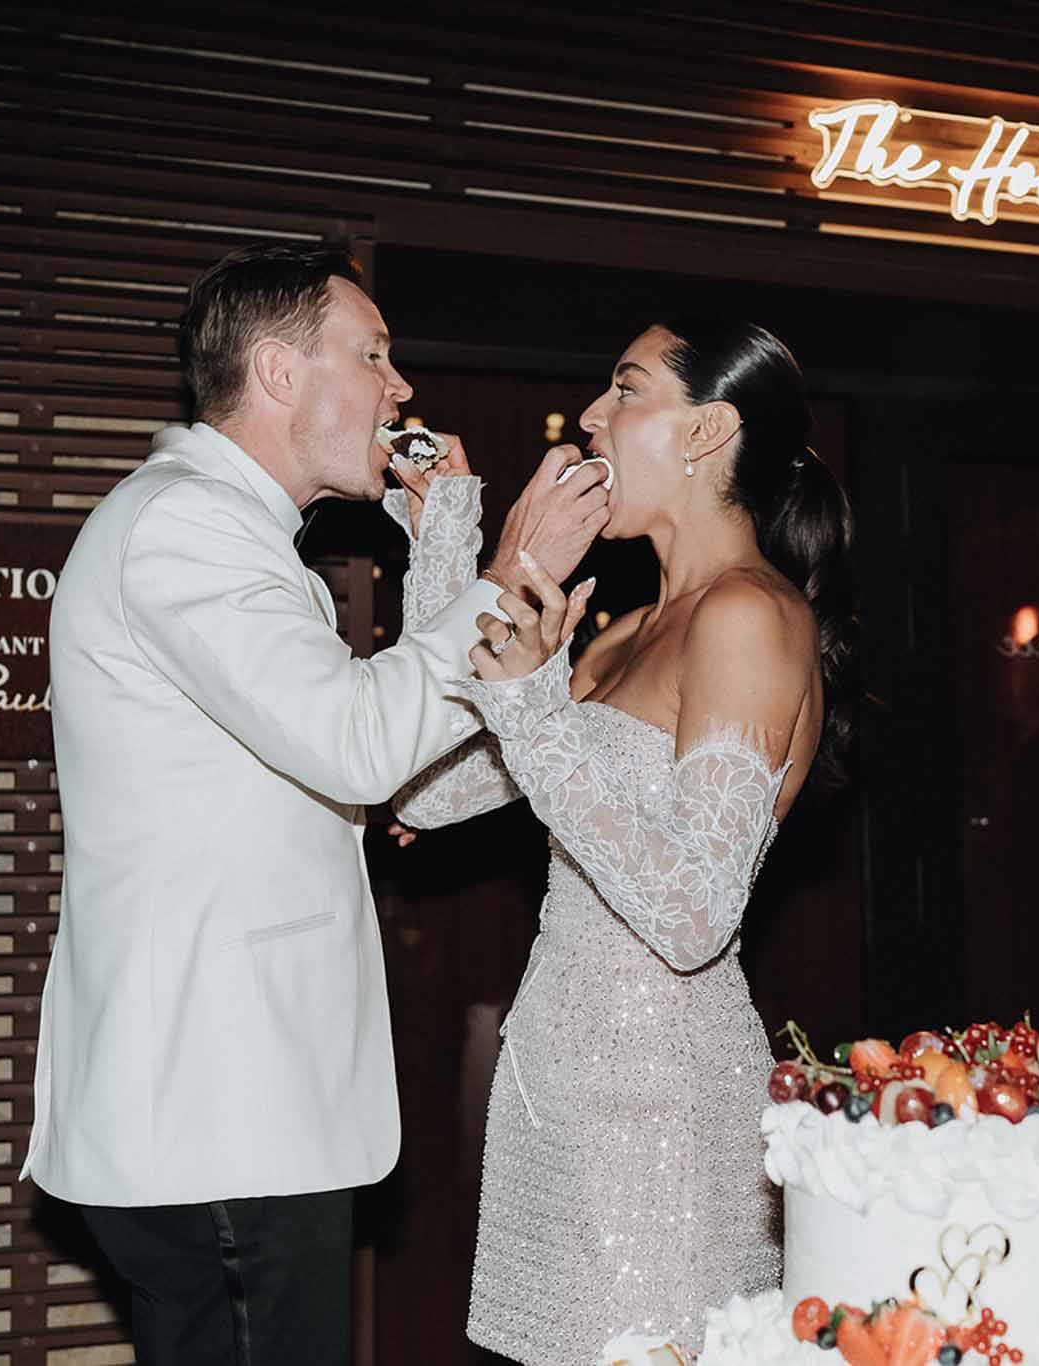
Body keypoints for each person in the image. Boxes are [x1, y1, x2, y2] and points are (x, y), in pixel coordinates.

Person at [22, 242, 608, 1365]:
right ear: (282, 374)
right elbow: (353, 738)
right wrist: (510, 567)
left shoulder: (234, 534)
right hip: (219, 1110)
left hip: (238, 1104)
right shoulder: (184, 526)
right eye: (373, 355)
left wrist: (446, 543)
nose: (399, 389)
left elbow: (366, 758)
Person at [385, 320, 857, 1362]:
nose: (591, 417)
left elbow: (691, 916)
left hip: (660, 1109)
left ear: (706, 431)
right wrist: (449, 544)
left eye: (624, 390)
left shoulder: (748, 617)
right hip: (557, 1090)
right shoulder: (620, 630)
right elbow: (424, 788)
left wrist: (534, 714)